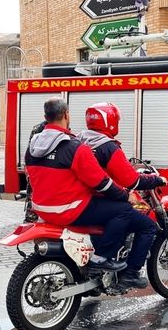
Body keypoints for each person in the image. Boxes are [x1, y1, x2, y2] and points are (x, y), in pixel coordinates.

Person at [26, 98, 134, 274]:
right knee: (123, 210)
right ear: (66, 115)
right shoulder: (74, 147)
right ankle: (102, 258)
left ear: (46, 116)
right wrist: (124, 195)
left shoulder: (33, 145)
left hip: (40, 208)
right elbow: (101, 182)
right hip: (68, 210)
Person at [77, 102, 167, 288]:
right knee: (147, 226)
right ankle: (131, 273)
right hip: (103, 200)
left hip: (84, 199)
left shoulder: (80, 139)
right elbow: (132, 181)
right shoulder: (108, 147)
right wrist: (156, 180)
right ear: (110, 122)